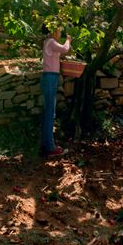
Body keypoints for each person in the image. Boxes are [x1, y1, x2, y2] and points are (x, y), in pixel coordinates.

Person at [40, 25, 71, 157]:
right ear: (52, 31)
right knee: (50, 113)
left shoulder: (48, 42)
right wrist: (68, 39)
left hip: (48, 77)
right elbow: (64, 49)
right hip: (51, 78)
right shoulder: (52, 42)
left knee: (48, 112)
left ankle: (46, 144)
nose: (60, 33)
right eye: (58, 30)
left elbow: (58, 54)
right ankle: (50, 147)